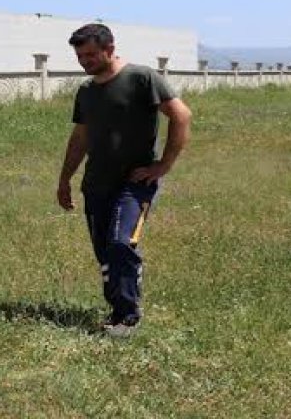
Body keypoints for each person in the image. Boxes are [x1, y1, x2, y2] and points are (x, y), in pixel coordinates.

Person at [56, 23, 192, 337]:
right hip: (96, 185)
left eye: (90, 54)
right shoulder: (87, 91)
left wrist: (163, 166)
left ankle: (128, 317)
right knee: (106, 253)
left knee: (121, 244)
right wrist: (64, 179)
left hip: (135, 184)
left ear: (109, 48)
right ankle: (117, 311)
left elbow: (181, 115)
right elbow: (80, 138)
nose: (85, 61)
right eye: (80, 56)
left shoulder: (142, 78)